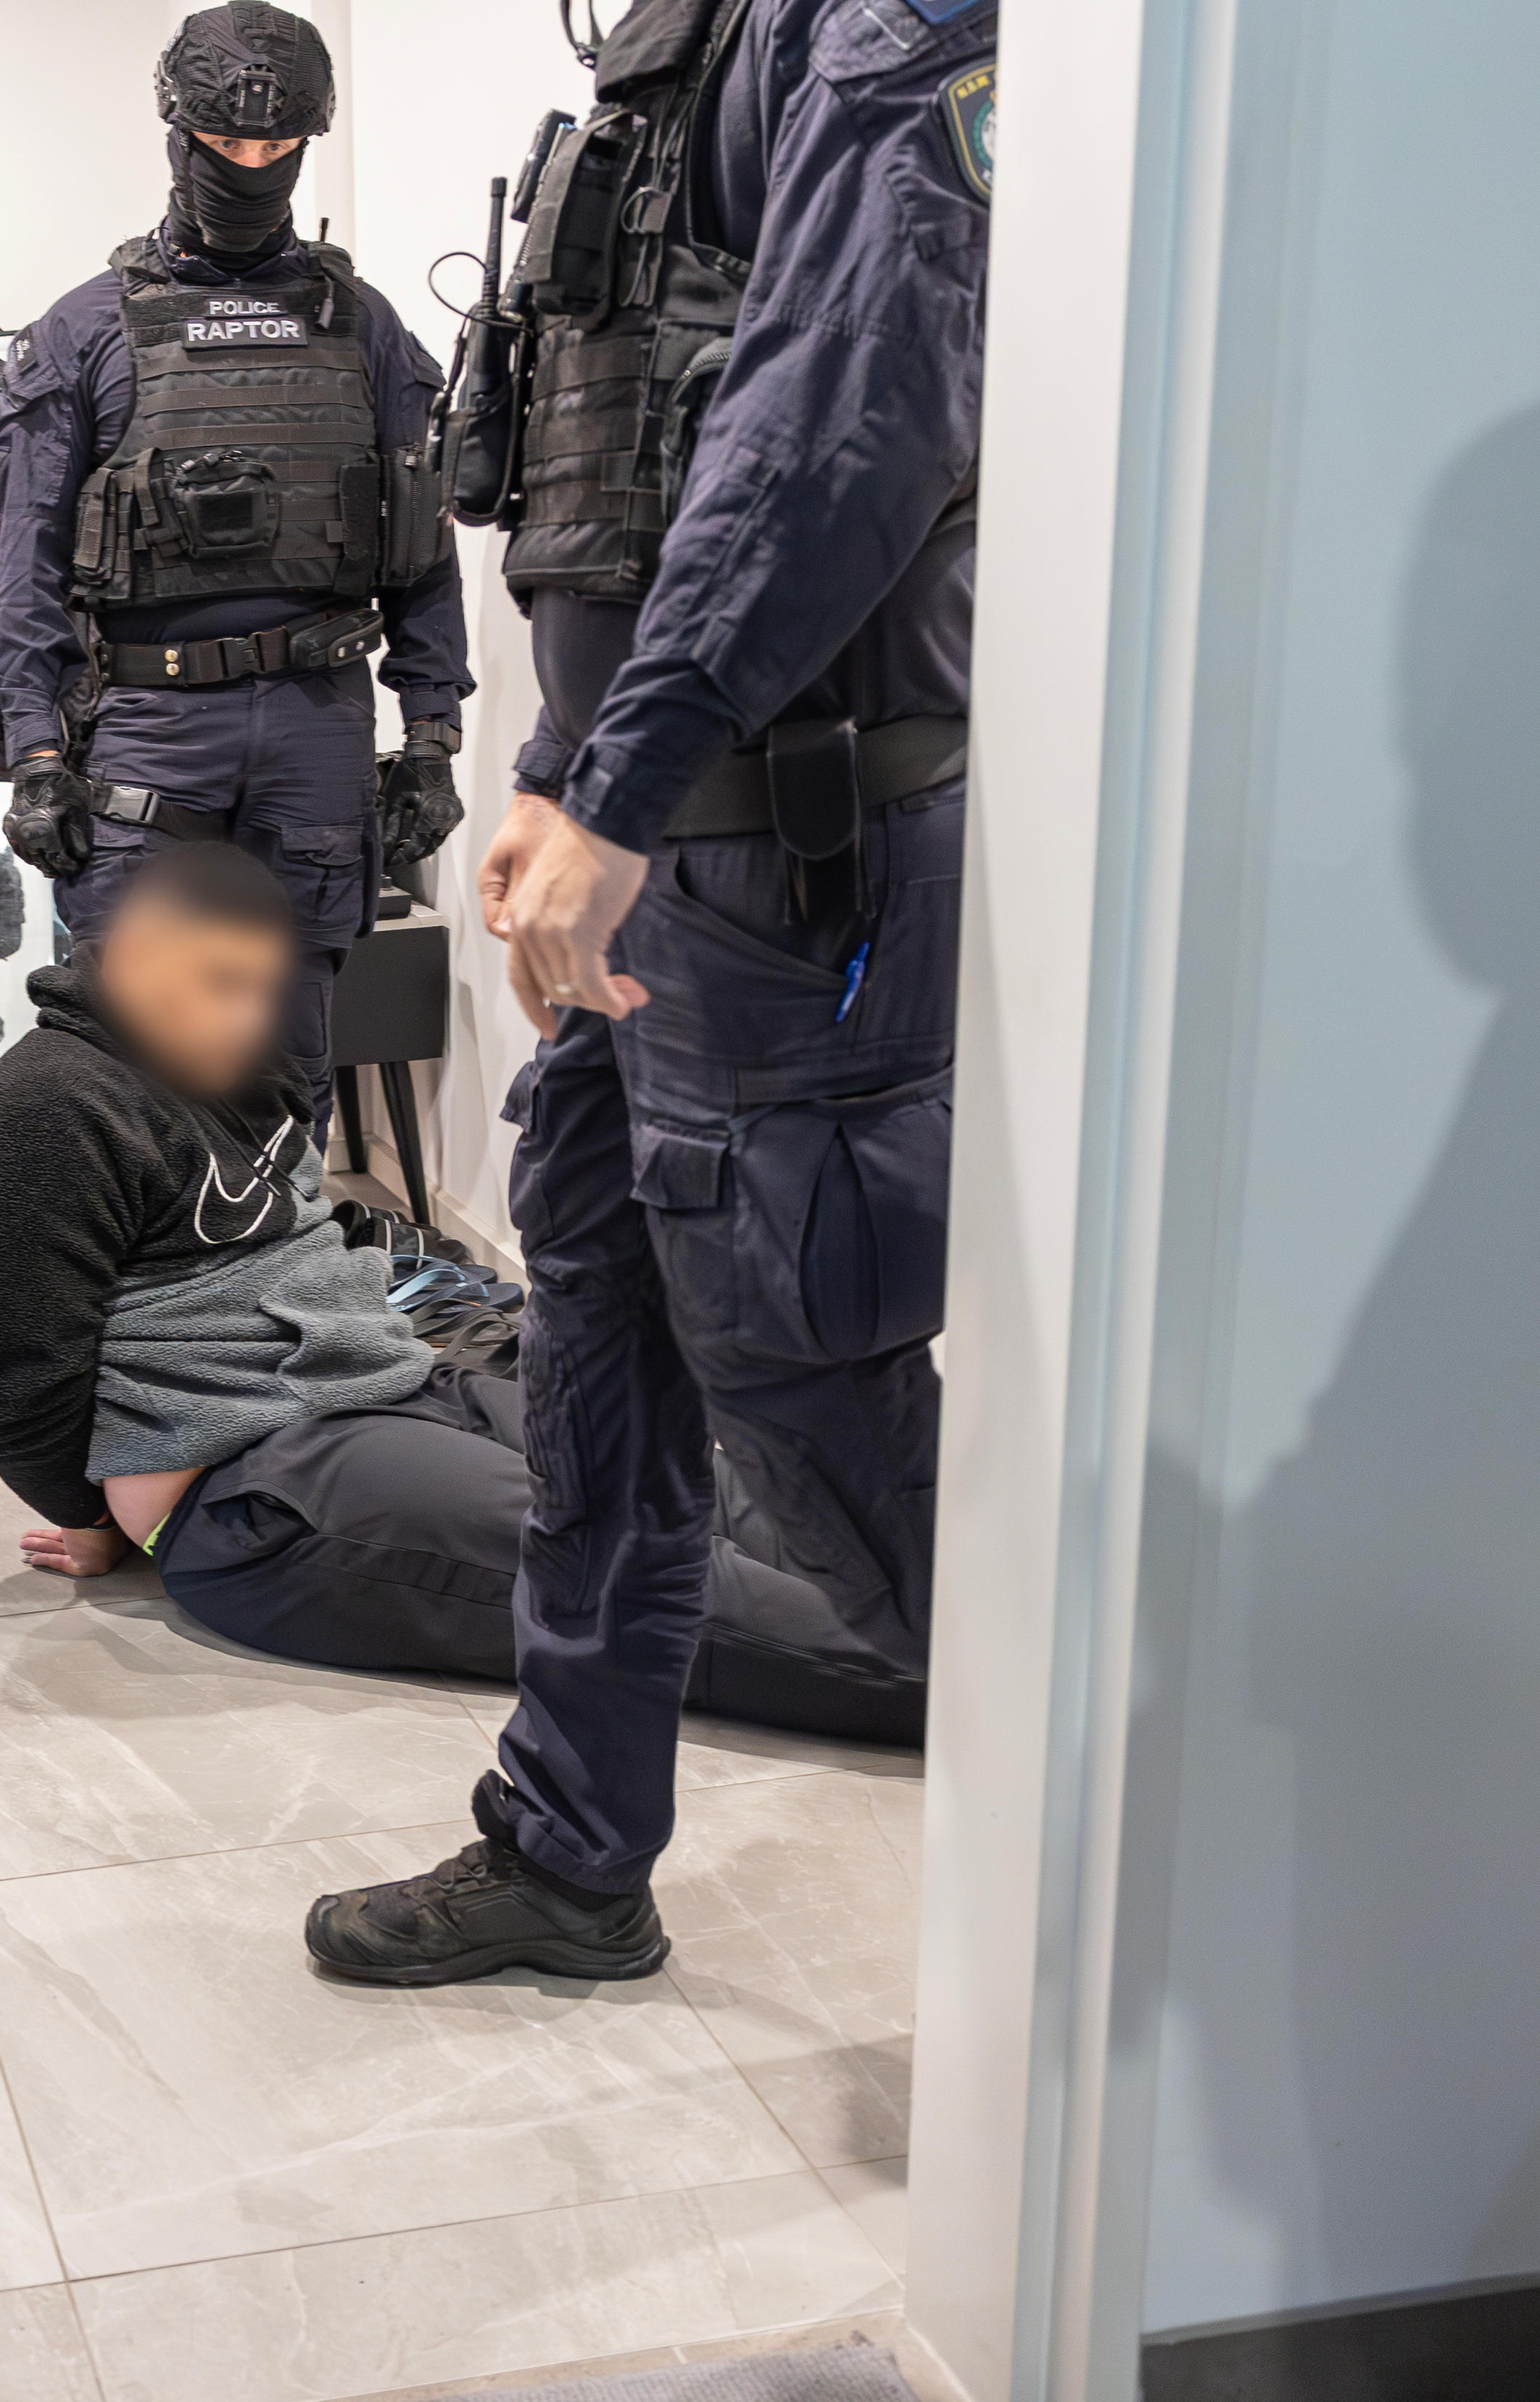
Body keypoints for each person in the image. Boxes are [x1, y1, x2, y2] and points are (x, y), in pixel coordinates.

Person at [308, 0, 996, 1985]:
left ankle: (1140, 1831)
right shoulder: (674, 51)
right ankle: (570, 1845)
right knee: (600, 1333)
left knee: (803, 1364)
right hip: (657, 833)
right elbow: (634, 458)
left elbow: (840, 427)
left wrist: (612, 776)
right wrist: (555, 769)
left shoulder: (882, 26)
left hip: (791, 867)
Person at [0, 0, 473, 1136]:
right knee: (142, 1044)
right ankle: (160, 1300)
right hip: (148, 719)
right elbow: (24, 561)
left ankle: (287, 1275)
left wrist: (435, 734)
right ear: (176, 132)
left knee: (292, 1042)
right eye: (225, 141)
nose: (252, 164)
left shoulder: (367, 326)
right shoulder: (86, 330)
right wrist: (37, 753)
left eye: (278, 145)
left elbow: (423, 546)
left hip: (317, 717)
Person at [0, 844, 546, 1688]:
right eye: (218, 983)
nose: (249, 1015)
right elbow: (3, 1370)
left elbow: (294, 1207)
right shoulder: (45, 1109)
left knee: (665, 1459)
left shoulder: (237, 1062)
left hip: (380, 1375)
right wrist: (90, 1516)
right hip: (247, 1475)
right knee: (626, 1562)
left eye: (259, 986)